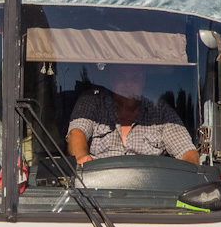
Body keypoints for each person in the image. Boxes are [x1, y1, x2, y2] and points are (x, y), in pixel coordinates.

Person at [66, 64, 198, 164]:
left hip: (149, 193)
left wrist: (176, 179)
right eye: (121, 78)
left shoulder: (159, 110)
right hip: (97, 191)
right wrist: (82, 159)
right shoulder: (92, 101)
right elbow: (76, 133)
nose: (128, 84)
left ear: (143, 81)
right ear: (111, 80)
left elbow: (188, 153)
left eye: (135, 79)